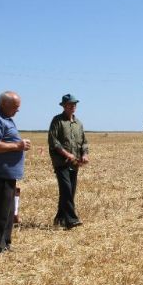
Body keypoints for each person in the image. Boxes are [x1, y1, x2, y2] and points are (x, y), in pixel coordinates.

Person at [0, 91, 31, 254]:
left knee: (8, 211)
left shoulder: (6, 119)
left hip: (8, 174)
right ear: (4, 104)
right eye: (15, 107)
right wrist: (18, 146)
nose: (18, 110)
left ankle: (4, 243)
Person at [48, 94, 89, 228]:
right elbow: (53, 141)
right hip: (61, 162)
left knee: (70, 192)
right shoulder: (57, 121)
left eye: (74, 104)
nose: (73, 107)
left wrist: (85, 154)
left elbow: (84, 142)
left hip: (75, 163)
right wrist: (66, 154)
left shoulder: (78, 124)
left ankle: (59, 219)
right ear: (64, 106)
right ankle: (72, 219)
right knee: (66, 190)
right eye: (70, 104)